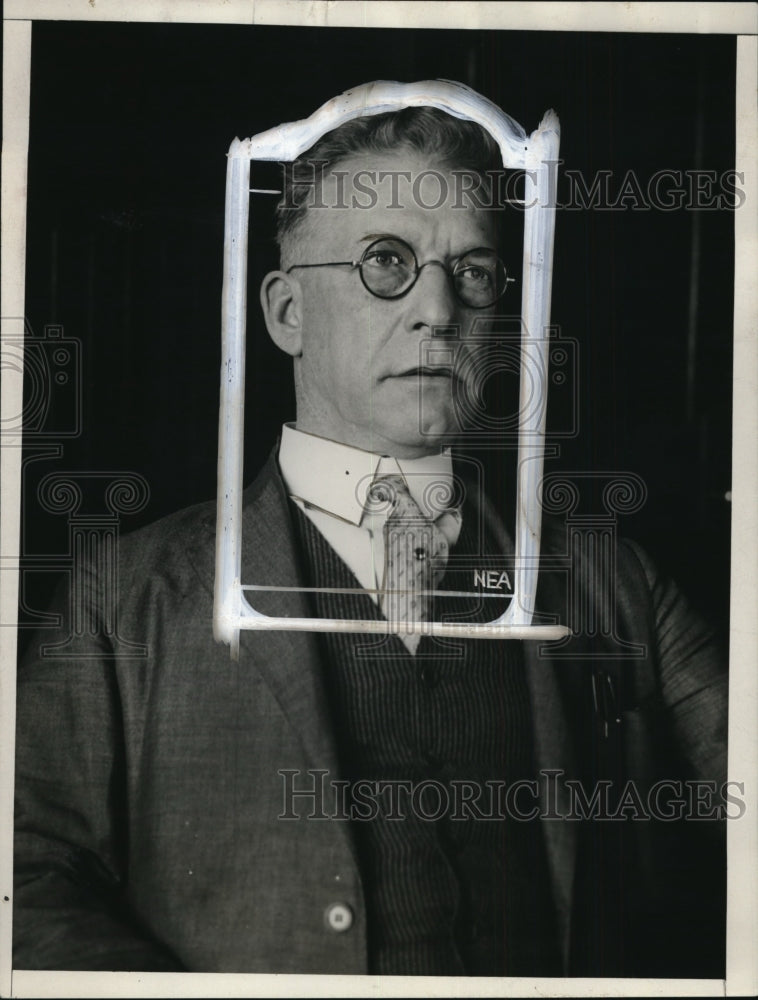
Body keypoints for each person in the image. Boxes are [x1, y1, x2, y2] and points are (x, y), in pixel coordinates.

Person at [13, 95, 728, 978]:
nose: (439, 308)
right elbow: (24, 877)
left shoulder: (617, 585)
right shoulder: (119, 599)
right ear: (287, 314)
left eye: (471, 271)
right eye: (386, 261)